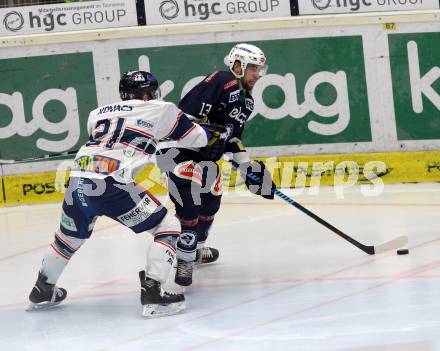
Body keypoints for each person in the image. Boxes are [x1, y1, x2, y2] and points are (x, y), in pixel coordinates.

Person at [27, 70, 226, 318]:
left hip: (78, 180)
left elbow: (119, 138)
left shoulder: (97, 114)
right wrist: (217, 133)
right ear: (146, 94)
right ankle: (153, 292)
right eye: (152, 92)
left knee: (67, 239)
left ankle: (42, 289)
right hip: (112, 184)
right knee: (168, 227)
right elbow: (197, 138)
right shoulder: (161, 109)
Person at [157, 43, 276, 287]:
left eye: (260, 69)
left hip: (205, 157)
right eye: (253, 68)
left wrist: (247, 168)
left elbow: (231, 138)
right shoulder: (221, 80)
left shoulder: (247, 102)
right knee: (189, 204)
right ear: (237, 65)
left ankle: (197, 250)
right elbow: (183, 118)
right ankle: (185, 258)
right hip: (177, 151)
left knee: (211, 201)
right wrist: (209, 133)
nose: (257, 75)